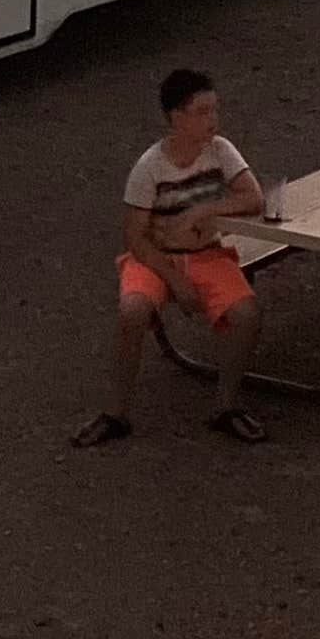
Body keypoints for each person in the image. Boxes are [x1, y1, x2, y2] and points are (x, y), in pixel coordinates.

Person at [74, 66, 271, 447]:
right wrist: (176, 280)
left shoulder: (220, 150)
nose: (212, 120)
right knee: (132, 311)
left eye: (214, 110)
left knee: (247, 314)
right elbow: (136, 238)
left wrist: (201, 211)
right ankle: (115, 412)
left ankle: (227, 405)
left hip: (206, 253)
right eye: (202, 112)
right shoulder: (150, 166)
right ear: (176, 117)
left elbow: (253, 198)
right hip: (156, 257)